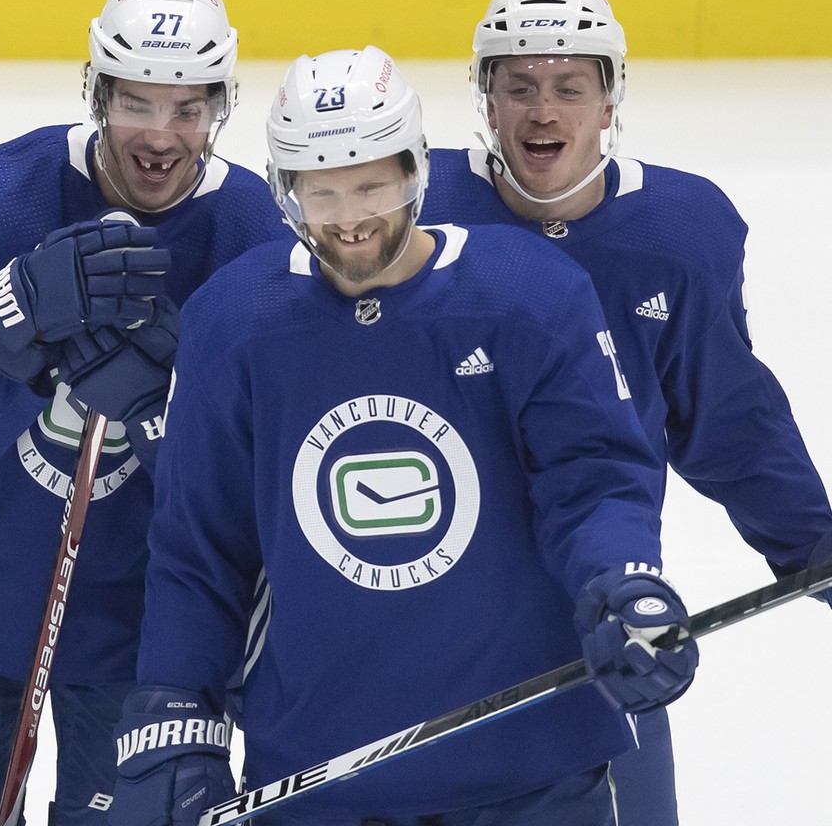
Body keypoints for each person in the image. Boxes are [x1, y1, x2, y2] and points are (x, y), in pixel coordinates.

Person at [109, 47, 700, 826]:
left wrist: (620, 581)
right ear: (285, 189)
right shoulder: (235, 322)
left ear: (417, 169)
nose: (349, 218)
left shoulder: (529, 294)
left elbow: (591, 479)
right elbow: (200, 548)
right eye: (321, 191)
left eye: (369, 184)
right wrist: (175, 702)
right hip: (322, 776)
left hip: (532, 770)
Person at [0, 0, 289, 825]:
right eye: (136, 104)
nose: (163, 137)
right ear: (94, 93)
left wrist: (166, 411)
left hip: (142, 642)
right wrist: (9, 347)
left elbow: (267, 497)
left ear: (222, 105)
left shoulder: (257, 237)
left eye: (189, 108)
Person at [417, 0, 832, 824]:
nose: (544, 112)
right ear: (486, 101)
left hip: (604, 608)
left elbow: (728, 421)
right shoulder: (409, 210)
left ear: (610, 102)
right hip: (424, 606)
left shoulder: (679, 232)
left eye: (571, 88)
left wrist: (816, 549)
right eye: (519, 87)